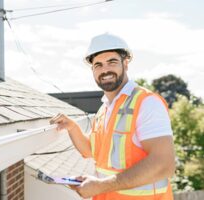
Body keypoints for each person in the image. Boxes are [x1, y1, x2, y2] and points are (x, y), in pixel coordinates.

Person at [50, 33, 175, 200]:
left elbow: (163, 164)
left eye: (112, 62)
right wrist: (72, 127)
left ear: (126, 63)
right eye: (98, 65)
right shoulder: (104, 110)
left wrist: (101, 186)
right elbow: (91, 151)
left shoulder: (146, 103)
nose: (105, 70)